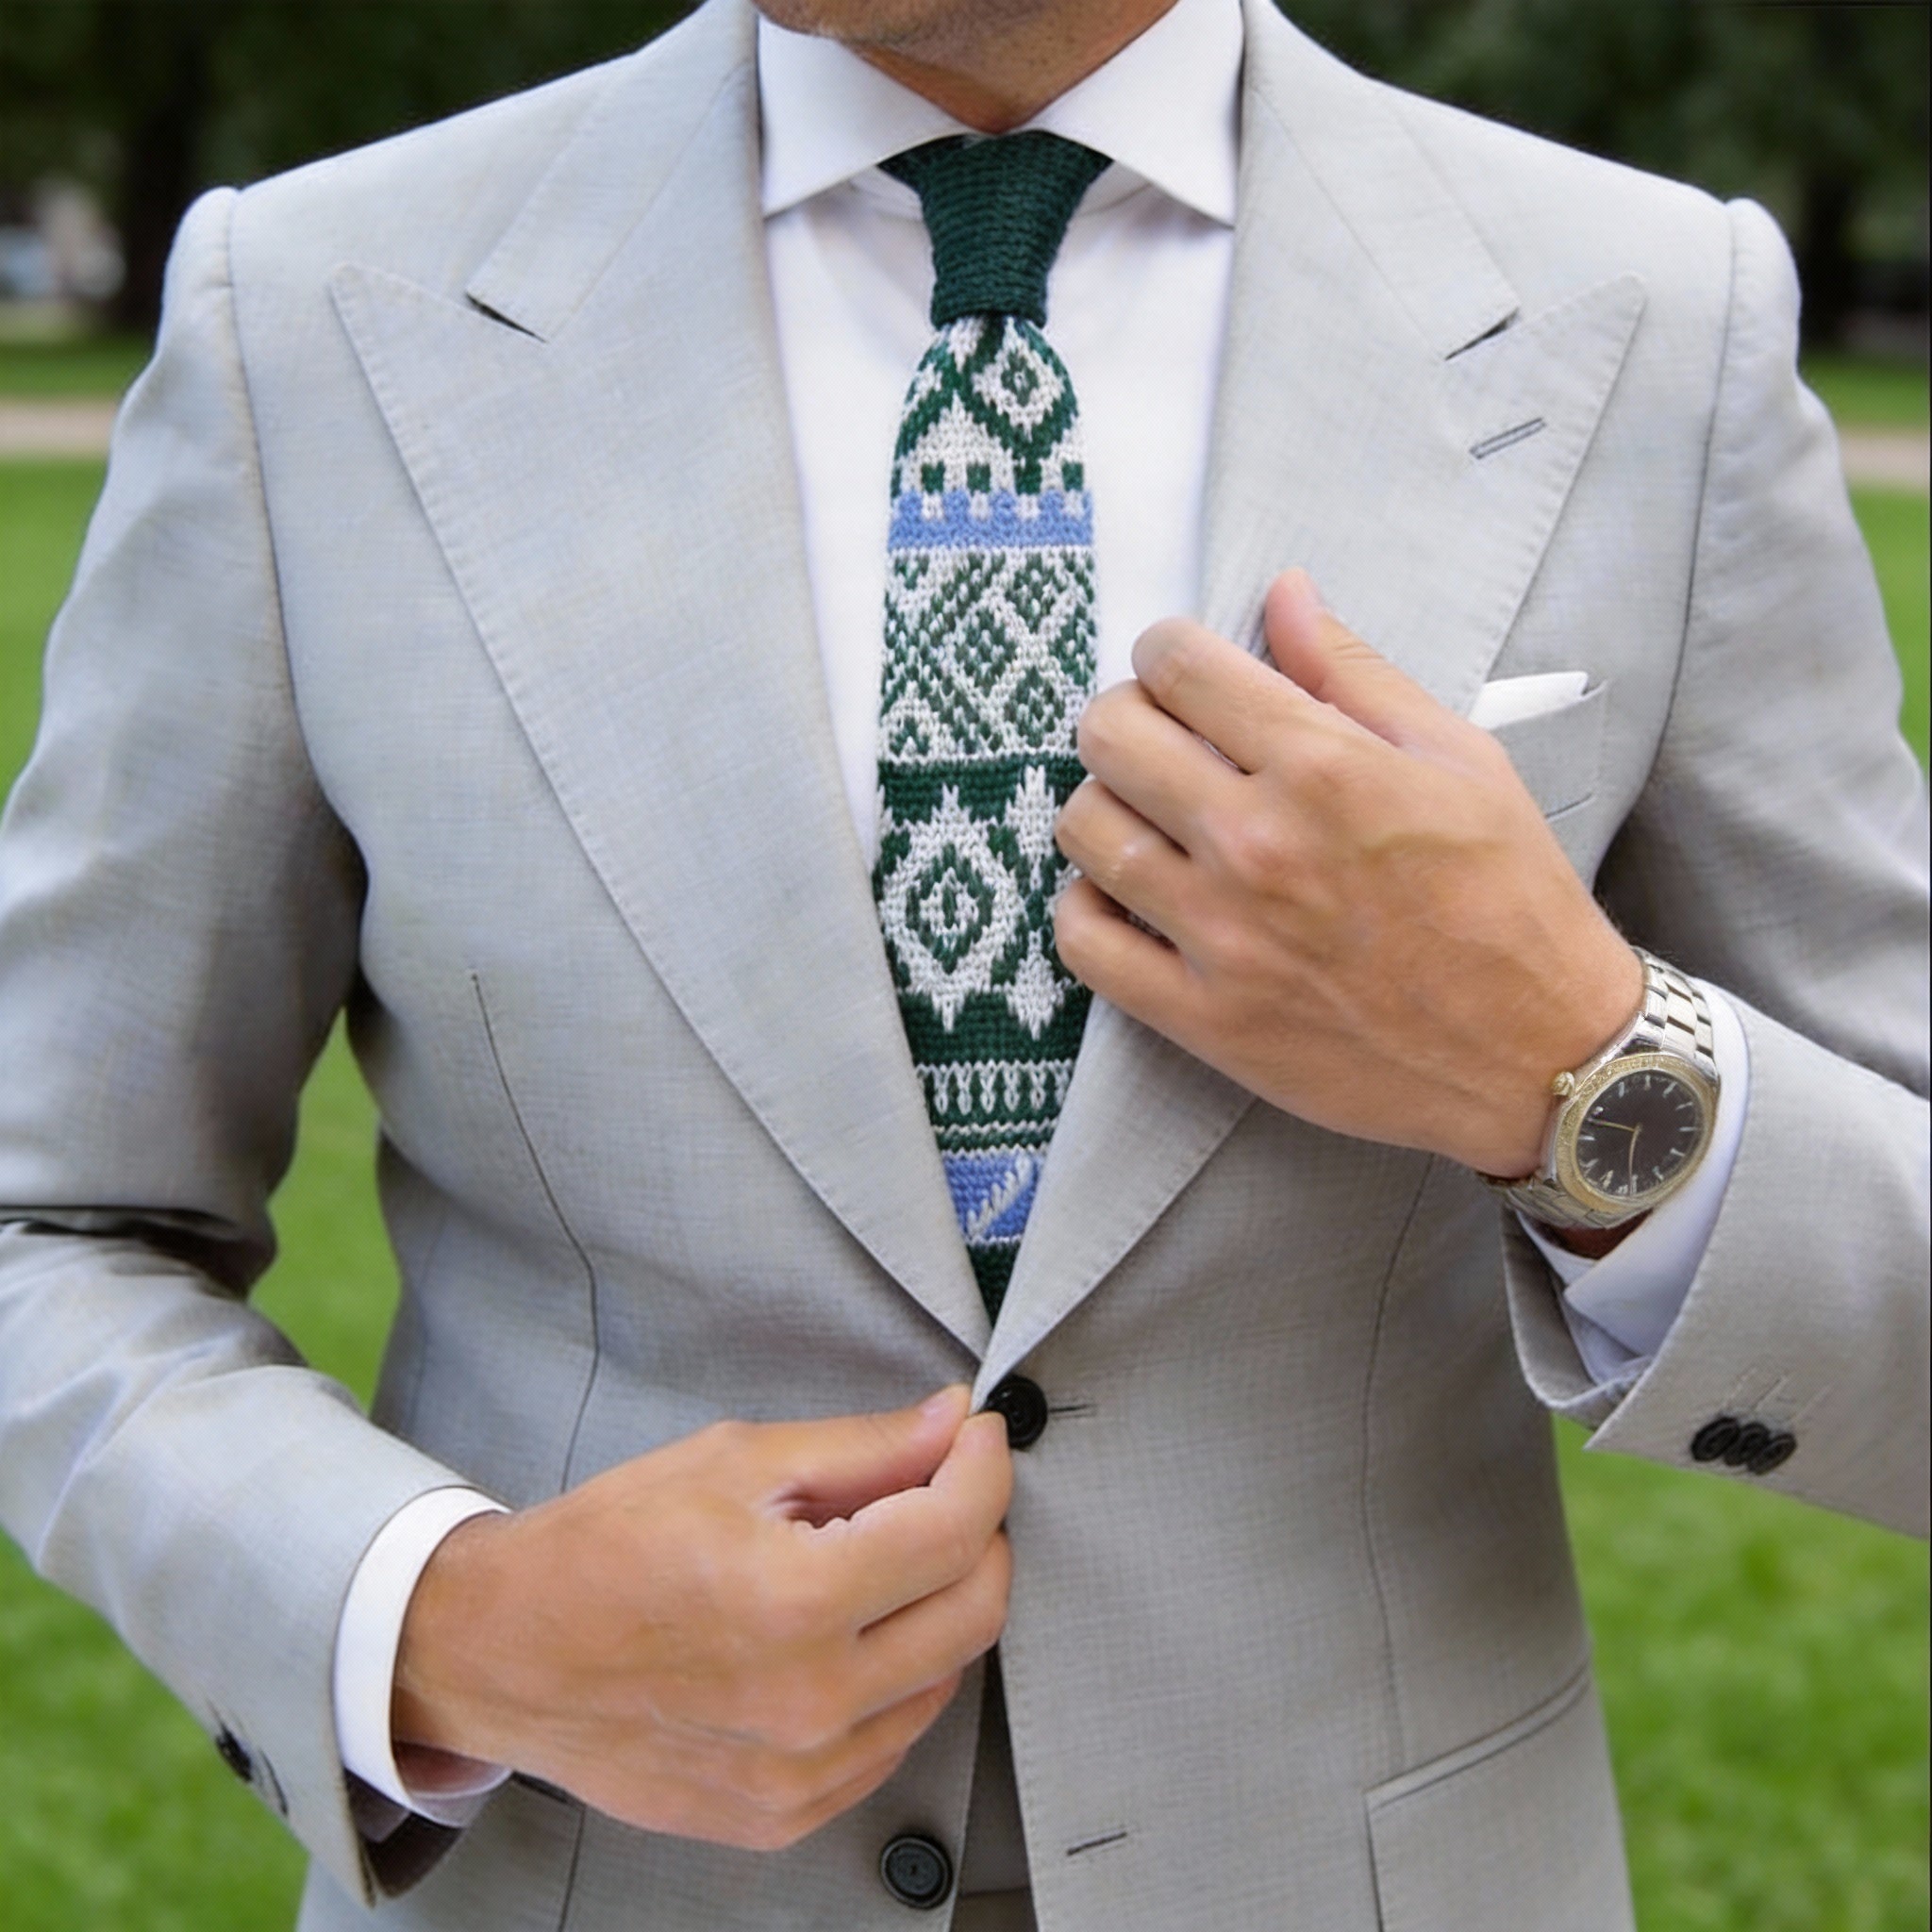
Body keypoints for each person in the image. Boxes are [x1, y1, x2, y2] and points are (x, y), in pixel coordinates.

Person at [0, 0, 1924, 1925]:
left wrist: (1574, 1070)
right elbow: (49, 1219)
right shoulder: (313, 310)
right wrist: (443, 1618)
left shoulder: (1654, 315)